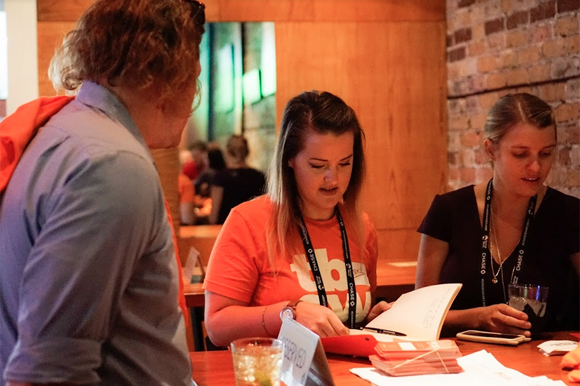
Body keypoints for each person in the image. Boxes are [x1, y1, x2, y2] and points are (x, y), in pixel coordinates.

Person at [0, 0, 205, 385]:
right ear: (170, 72)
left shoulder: (62, 130)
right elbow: (50, 371)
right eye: (195, 70)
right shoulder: (112, 164)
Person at [203, 90, 390, 347]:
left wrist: (371, 321)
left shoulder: (361, 226)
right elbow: (217, 326)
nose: (332, 179)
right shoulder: (249, 222)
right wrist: (289, 314)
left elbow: (342, 321)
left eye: (344, 164)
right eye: (317, 165)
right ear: (290, 160)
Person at [416, 93, 580, 338]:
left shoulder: (570, 214)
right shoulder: (449, 210)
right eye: (520, 154)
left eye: (545, 154)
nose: (535, 167)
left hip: (547, 365)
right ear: (490, 149)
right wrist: (479, 318)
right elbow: (420, 313)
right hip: (461, 366)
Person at [208, 134, 266, 224]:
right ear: (247, 152)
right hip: (252, 227)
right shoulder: (259, 176)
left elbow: (214, 215)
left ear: (227, 152)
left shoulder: (220, 177)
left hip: (226, 228)